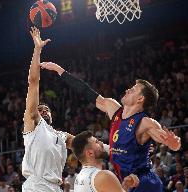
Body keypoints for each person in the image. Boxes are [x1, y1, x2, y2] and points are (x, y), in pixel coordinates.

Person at [40, 62, 181, 191]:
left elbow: (168, 142)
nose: (127, 90)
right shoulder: (113, 108)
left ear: (140, 99)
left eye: (133, 90)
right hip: (126, 181)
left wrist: (173, 143)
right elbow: (86, 91)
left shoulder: (145, 123)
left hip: (144, 183)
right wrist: (59, 70)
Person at [22, 27, 74, 192]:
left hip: (55, 188)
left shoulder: (61, 136)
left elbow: (86, 144)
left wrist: (121, 148)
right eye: (40, 109)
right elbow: (33, 81)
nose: (44, 111)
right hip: (37, 186)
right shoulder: (33, 125)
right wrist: (37, 50)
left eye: (47, 109)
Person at [72, 131, 139, 192]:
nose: (101, 143)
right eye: (96, 142)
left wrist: (125, 186)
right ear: (90, 153)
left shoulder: (79, 178)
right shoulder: (103, 176)